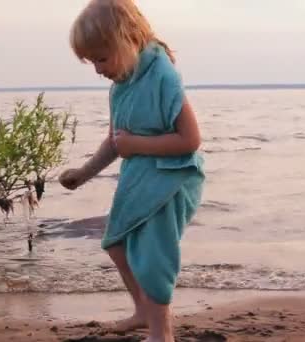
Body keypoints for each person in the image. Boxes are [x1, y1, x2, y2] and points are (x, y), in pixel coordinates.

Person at [59, 0, 205, 341]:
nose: (97, 68)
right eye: (91, 60)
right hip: (140, 175)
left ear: (127, 39)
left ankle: (161, 333)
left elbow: (190, 140)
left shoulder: (163, 77)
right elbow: (116, 141)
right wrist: (83, 173)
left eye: (101, 57)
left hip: (172, 176)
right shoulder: (121, 88)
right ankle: (142, 310)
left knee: (152, 255)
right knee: (116, 243)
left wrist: (137, 145)